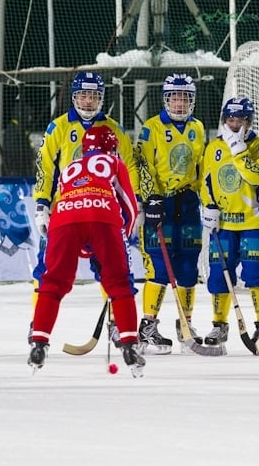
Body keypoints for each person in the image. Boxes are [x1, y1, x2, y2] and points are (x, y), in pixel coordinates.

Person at [32, 71, 139, 345]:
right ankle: (38, 321)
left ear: (101, 98)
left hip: (103, 212)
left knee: (111, 269)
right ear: (74, 97)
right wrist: (42, 205)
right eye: (83, 95)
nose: (88, 101)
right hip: (65, 209)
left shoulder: (115, 129)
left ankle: (116, 322)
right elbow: (45, 168)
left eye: (93, 96)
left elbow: (130, 168)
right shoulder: (58, 127)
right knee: (48, 268)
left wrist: (134, 202)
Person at [28, 125, 145, 377]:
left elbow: (70, 210)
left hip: (63, 221)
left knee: (53, 283)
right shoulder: (114, 162)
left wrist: (87, 249)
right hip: (103, 217)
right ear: (112, 148)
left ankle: (38, 342)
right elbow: (130, 208)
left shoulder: (69, 168)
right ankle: (129, 346)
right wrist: (117, 240)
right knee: (119, 284)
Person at [136, 73, 206, 354]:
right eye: (175, 97)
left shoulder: (198, 127)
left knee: (189, 267)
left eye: (185, 98)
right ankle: (148, 326)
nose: (179, 103)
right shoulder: (151, 128)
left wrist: (209, 200)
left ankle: (185, 324)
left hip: (188, 204)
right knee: (160, 267)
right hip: (159, 204)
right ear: (166, 99)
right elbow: (142, 165)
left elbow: (201, 168)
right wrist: (150, 197)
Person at [199, 97, 259, 352]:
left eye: (240, 120)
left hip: (253, 222)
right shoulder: (214, 147)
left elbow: (257, 175)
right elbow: (206, 181)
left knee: (255, 275)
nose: (234, 125)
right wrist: (209, 207)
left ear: (248, 122)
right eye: (230, 120)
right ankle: (219, 325)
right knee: (220, 275)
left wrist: (239, 149)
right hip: (225, 224)